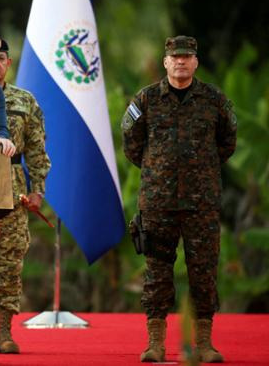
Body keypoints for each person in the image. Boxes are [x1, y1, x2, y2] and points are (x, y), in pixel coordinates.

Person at [121, 36, 237, 363]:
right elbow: (132, 145)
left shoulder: (214, 100)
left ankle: (204, 344)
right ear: (166, 62)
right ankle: (155, 343)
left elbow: (227, 143)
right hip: (158, 202)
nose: (181, 62)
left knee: (203, 272)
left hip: (202, 203)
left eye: (187, 57)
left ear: (196, 62)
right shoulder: (146, 100)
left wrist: (200, 171)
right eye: (176, 57)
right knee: (157, 273)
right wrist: (160, 169)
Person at [0, 37, 51, 354]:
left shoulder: (25, 101)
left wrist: (37, 190)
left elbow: (36, 149)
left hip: (12, 189)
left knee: (9, 263)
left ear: (9, 64)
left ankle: (3, 333)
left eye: (1, 58)